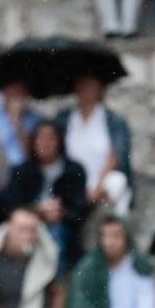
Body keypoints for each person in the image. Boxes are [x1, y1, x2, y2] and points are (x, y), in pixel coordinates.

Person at [0, 119, 90, 269]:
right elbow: (9, 205)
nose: (45, 143)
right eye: (41, 138)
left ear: (59, 141)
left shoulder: (74, 171)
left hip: (61, 225)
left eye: (50, 138)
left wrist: (59, 213)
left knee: (54, 239)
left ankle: (55, 287)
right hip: (26, 223)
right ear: (33, 142)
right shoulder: (21, 170)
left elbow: (79, 209)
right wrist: (37, 210)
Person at [56, 73, 133, 216]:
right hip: (74, 187)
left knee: (117, 183)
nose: (85, 90)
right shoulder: (64, 119)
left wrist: (97, 189)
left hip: (103, 185)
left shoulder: (113, 121)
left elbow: (116, 157)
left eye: (90, 85)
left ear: (100, 88)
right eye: (81, 85)